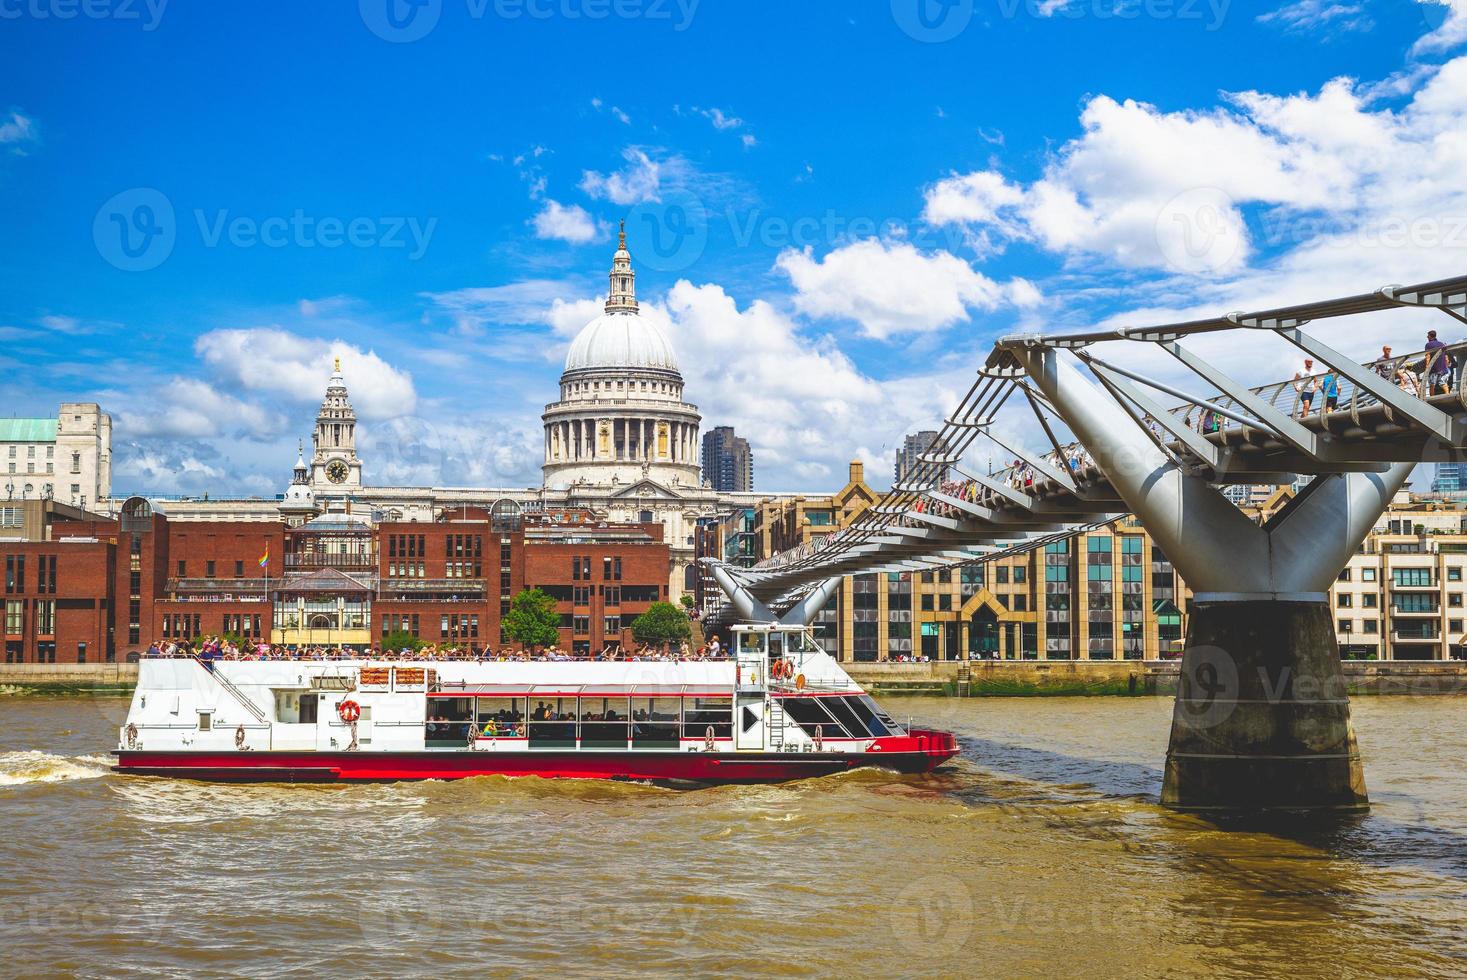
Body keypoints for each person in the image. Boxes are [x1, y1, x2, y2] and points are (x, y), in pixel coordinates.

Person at [1425, 330, 1451, 395]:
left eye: (1428, 336)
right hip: (1442, 367)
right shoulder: (1441, 344)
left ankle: (1432, 398)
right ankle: (1447, 394)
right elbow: (1446, 357)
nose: (1427, 337)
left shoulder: (1428, 345)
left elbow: (1428, 356)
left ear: (1430, 336)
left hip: (1433, 368)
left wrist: (1427, 367)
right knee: (1442, 382)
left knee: (1432, 384)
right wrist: (1446, 366)